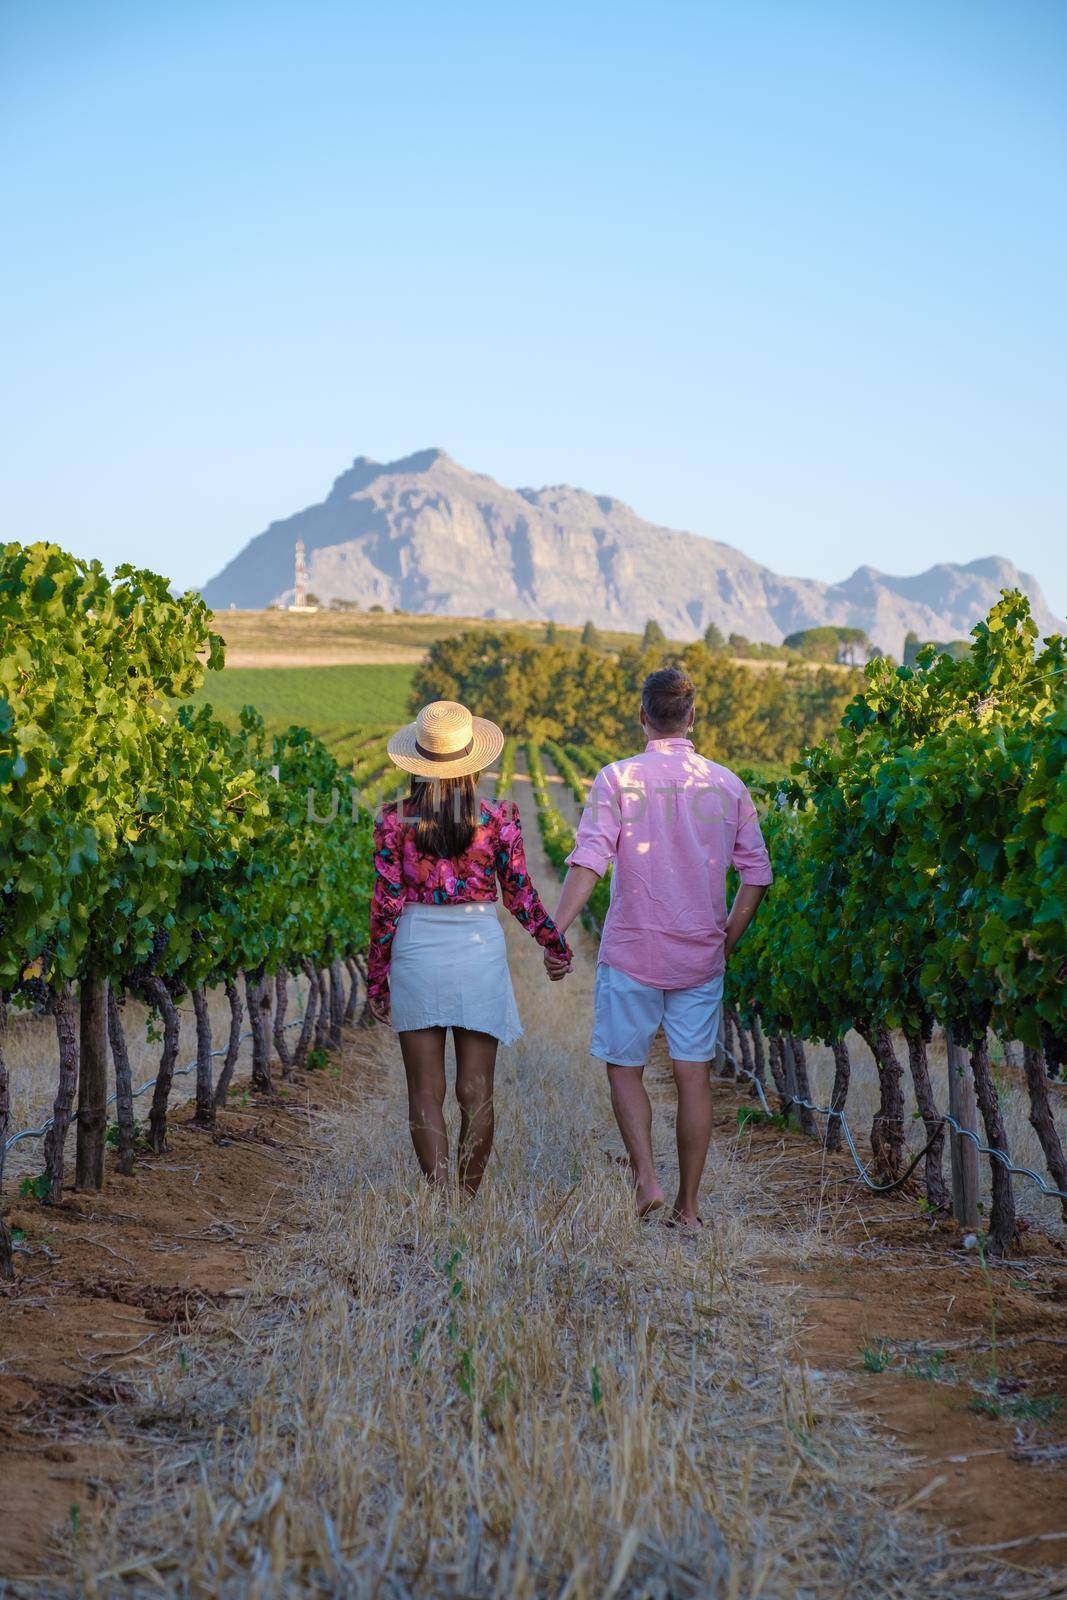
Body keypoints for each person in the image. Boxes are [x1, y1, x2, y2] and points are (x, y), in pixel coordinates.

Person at [546, 667, 772, 1227]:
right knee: (692, 1074)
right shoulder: (727, 784)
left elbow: (590, 860)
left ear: (643, 717)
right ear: (692, 717)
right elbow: (758, 875)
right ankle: (689, 1209)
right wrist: (728, 937)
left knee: (625, 1068)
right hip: (700, 954)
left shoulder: (617, 778)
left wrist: (554, 931)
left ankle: (646, 1177)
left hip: (632, 950)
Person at [368, 700, 573, 1194]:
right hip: (478, 946)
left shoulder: (392, 821)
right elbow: (520, 893)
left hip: (417, 947)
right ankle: (466, 1197)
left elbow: (386, 906)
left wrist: (377, 976)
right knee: (476, 1090)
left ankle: (440, 1203)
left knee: (425, 1090)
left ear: (416, 759)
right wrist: (554, 942)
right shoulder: (500, 817)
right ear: (473, 759)